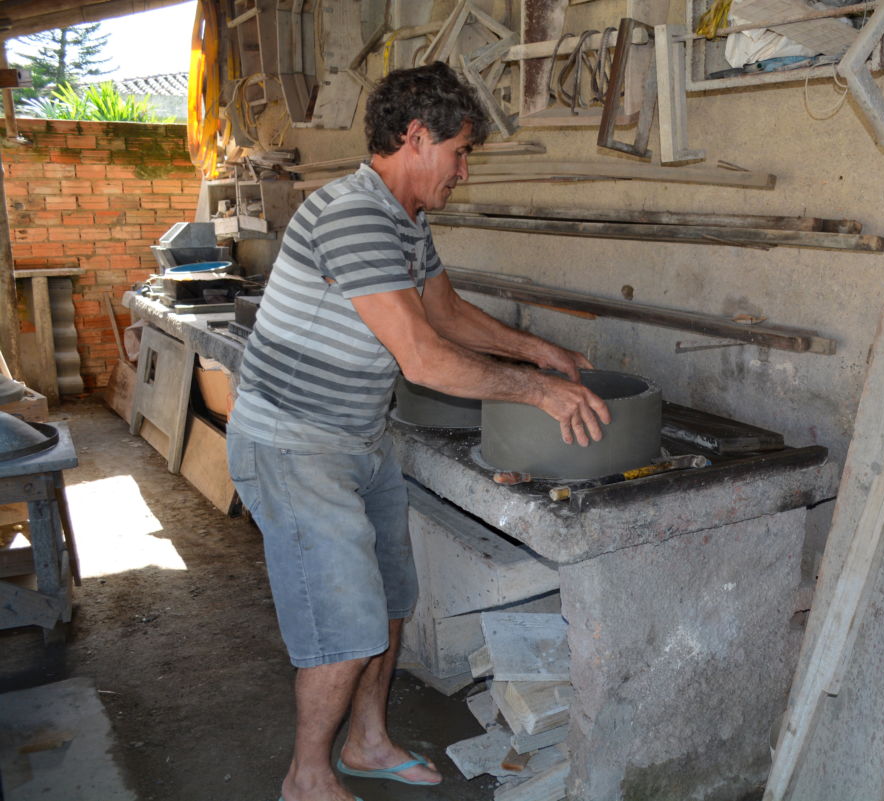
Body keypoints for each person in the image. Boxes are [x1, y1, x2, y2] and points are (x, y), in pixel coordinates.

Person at [226, 62, 610, 801]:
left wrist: (538, 350)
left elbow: (444, 311)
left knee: (392, 601)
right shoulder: (353, 215)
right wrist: (540, 392)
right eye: (461, 151)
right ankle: (306, 775)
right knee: (347, 622)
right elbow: (425, 357)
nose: (464, 171)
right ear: (416, 136)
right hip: (294, 443)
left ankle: (366, 742)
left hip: (356, 438)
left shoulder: (405, 218)